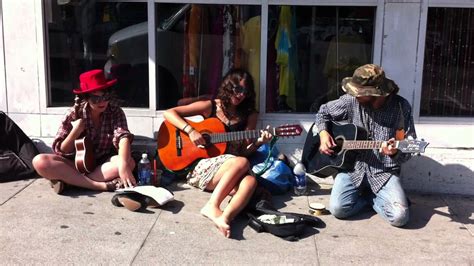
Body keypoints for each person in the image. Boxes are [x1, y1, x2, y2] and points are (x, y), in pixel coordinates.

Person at [163, 68, 272, 238]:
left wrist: (259, 142)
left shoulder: (249, 115)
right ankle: (212, 205)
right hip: (202, 167)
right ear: (229, 86)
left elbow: (244, 152)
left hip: (226, 172)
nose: (242, 95)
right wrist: (191, 131)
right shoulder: (211, 106)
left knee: (250, 181)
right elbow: (169, 113)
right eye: (239, 89)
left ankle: (224, 218)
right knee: (242, 162)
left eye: (246, 92)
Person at [314, 64, 416, 227]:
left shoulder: (400, 107)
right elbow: (323, 112)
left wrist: (395, 151)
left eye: (358, 92)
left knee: (400, 217)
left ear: (374, 93)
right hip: (352, 167)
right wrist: (323, 134)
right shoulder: (350, 101)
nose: (353, 95)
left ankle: (372, 198)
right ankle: (370, 198)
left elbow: (409, 145)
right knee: (338, 209)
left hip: (384, 172)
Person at [33, 69, 136, 194]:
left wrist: (124, 165)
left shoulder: (115, 112)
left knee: (129, 162)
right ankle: (98, 186)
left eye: (105, 97)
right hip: (75, 165)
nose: (102, 102)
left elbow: (123, 137)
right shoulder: (74, 114)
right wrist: (75, 131)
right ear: (86, 98)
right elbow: (61, 150)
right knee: (40, 161)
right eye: (96, 99)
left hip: (102, 165)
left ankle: (71, 181)